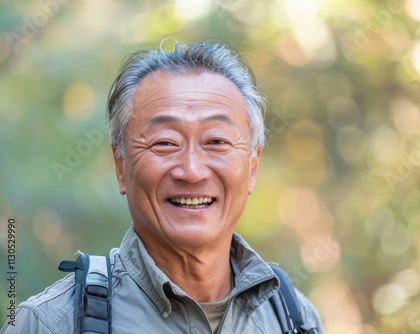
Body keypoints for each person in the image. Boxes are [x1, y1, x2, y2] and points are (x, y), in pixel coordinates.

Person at [1, 40, 324, 333]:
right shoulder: (48, 324)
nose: (192, 171)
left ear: (252, 167)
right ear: (121, 166)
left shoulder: (293, 317)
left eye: (216, 141)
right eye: (165, 143)